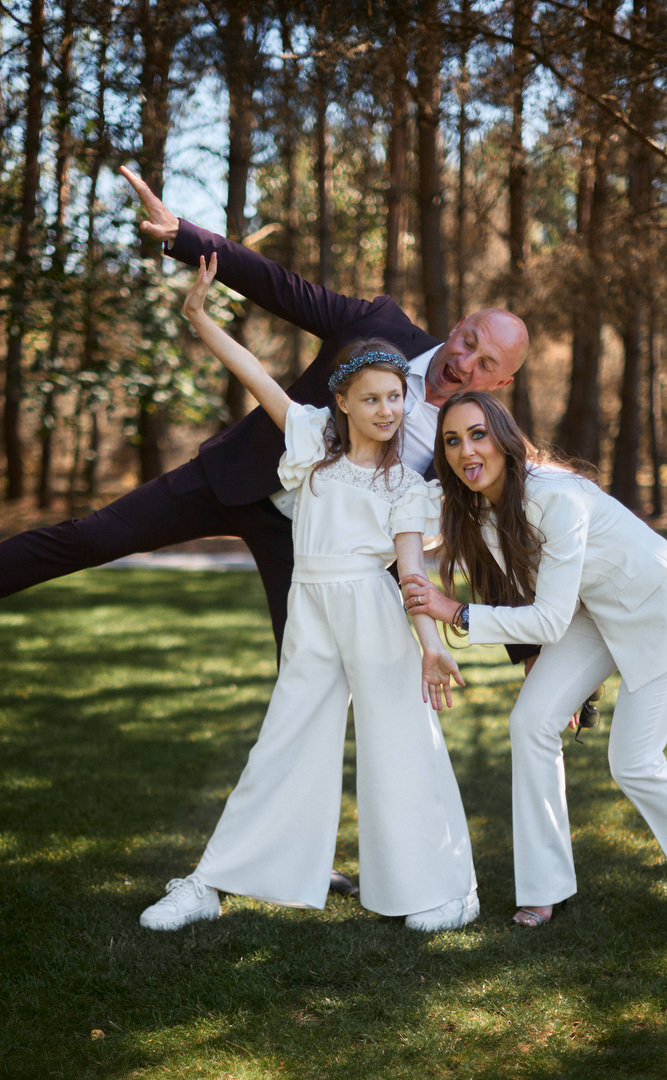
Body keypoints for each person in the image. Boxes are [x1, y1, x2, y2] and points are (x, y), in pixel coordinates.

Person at [0, 165, 530, 668]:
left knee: (318, 673)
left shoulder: (469, 439)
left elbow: (482, 534)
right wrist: (184, 236)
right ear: (459, 324)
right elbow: (280, 286)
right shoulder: (379, 325)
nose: (465, 363)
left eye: (486, 364)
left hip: (316, 549)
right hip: (237, 476)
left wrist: (527, 652)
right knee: (92, 537)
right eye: (468, 342)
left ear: (500, 384)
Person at [139, 254, 478, 932]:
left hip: (375, 619)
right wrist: (200, 317)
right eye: (372, 398)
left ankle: (446, 888)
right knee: (283, 741)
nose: (387, 410)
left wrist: (432, 647)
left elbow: (412, 573)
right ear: (342, 402)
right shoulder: (310, 443)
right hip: (313, 614)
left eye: (395, 398)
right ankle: (210, 883)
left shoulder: (408, 487)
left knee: (402, 745)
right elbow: (255, 374)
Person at [401, 391, 667, 934]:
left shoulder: (555, 495)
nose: (465, 451)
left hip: (659, 609)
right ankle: (543, 888)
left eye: (477, 434)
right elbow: (407, 506)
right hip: (593, 611)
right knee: (531, 721)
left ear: (504, 438)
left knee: (636, 762)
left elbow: (548, 621)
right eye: (451, 441)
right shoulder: (476, 504)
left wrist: (453, 611)